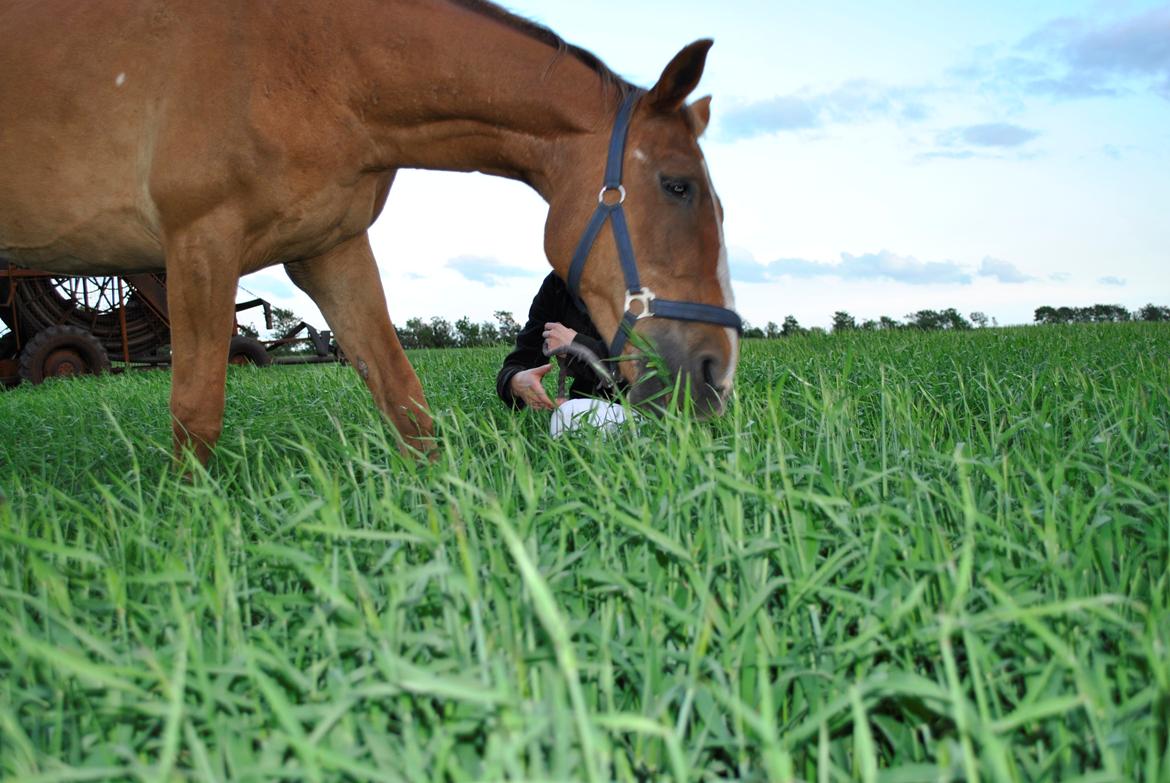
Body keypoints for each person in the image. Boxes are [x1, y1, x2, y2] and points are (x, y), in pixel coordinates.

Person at [497, 272, 622, 410]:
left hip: (643, 408)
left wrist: (578, 347)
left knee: (569, 416)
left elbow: (644, 366)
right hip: (583, 407)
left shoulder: (643, 274)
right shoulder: (557, 284)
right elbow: (523, 358)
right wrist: (516, 381)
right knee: (567, 415)